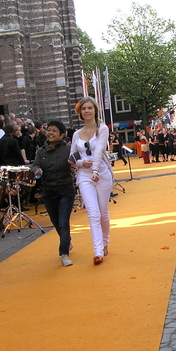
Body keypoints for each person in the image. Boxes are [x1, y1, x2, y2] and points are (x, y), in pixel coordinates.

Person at [69, 97, 113, 265]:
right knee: (93, 214)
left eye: (89, 108)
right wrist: (81, 163)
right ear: (80, 112)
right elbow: (72, 157)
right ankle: (98, 251)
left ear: (95, 110)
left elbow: (99, 150)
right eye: (83, 109)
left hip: (101, 173)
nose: (86, 111)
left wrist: (95, 169)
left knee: (103, 213)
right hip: (84, 176)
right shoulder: (76, 134)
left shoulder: (102, 129)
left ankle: (106, 241)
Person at [30, 120, 75, 267]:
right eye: (48, 130)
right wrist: (36, 170)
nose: (50, 133)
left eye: (54, 131)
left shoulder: (68, 149)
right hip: (48, 191)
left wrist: (74, 163)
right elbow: (35, 164)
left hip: (65, 190)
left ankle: (64, 254)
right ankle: (67, 240)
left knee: (63, 222)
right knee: (56, 222)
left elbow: (78, 158)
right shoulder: (41, 151)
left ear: (62, 134)